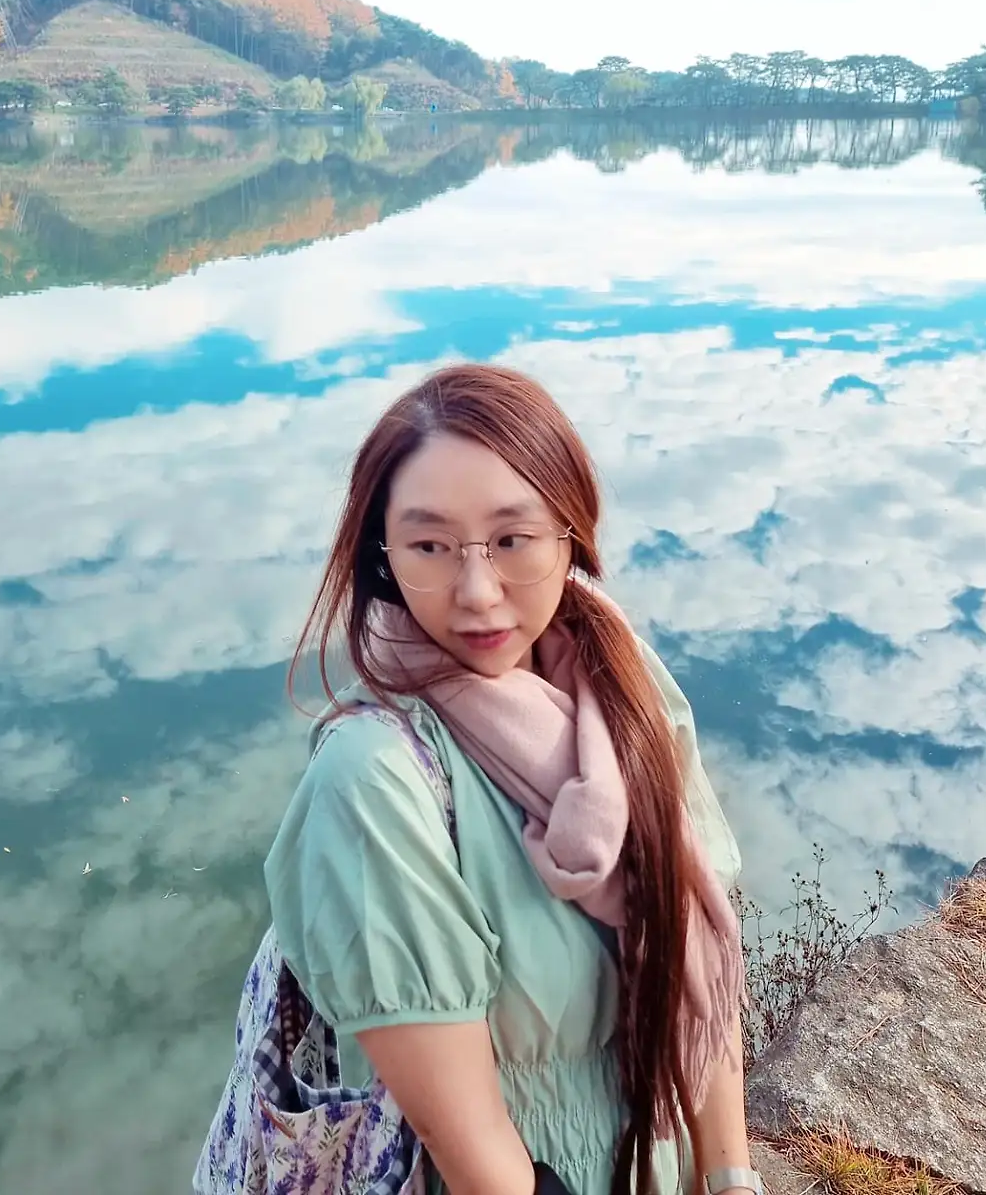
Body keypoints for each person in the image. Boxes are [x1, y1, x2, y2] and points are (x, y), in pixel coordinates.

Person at [264, 363, 759, 1195]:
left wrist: (732, 1179)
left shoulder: (617, 680)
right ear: (384, 557)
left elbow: (697, 953)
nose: (478, 593)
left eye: (512, 540)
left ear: (570, 534)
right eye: (429, 546)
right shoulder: (374, 782)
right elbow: (473, 1153)